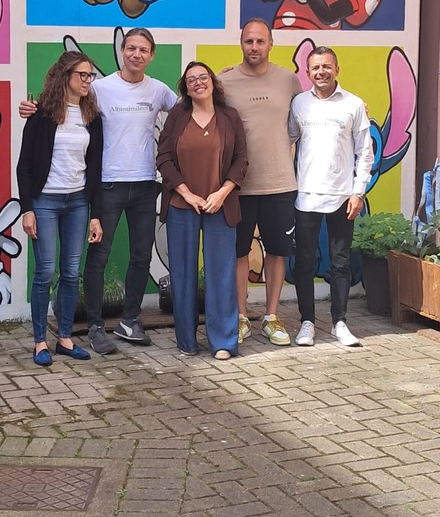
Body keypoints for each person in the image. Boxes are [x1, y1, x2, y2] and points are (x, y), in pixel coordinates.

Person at [20, 28, 177, 354]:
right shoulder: (98, 89)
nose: (136, 54)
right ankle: (93, 326)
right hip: (106, 185)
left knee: (140, 256)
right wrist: (31, 108)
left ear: (152, 55)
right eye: (131, 48)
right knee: (95, 259)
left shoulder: (159, 90)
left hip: (145, 184)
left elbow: (188, 111)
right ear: (122, 51)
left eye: (143, 49)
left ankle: (130, 320)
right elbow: (60, 104)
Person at [17, 51, 103, 366]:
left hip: (78, 202)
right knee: (44, 272)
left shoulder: (92, 117)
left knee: (70, 272)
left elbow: (96, 168)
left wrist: (95, 214)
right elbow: (24, 165)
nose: (88, 80)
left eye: (90, 75)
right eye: (82, 74)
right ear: (65, 76)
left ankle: (65, 338)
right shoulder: (41, 115)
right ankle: (40, 341)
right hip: (45, 202)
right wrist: (27, 209)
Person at [218, 19, 301, 346]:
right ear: (241, 43)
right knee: (239, 252)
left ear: (271, 44)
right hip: (237, 186)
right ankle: (241, 317)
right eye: (249, 41)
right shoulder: (224, 81)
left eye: (260, 41)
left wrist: (357, 105)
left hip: (280, 183)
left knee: (278, 252)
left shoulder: (288, 79)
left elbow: (313, 109)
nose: (254, 47)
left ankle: (271, 316)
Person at [157, 62, 247, 359]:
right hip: (182, 205)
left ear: (212, 81)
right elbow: (164, 158)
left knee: (221, 275)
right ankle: (187, 341)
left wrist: (223, 193)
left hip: (220, 205)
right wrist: (185, 192)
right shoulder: (177, 116)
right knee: (182, 275)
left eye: (203, 77)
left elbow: (241, 159)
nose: (198, 83)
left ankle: (223, 342)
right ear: (185, 87)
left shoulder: (230, 116)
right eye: (191, 80)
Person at [289, 46, 374, 347]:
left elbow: (365, 152)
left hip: (342, 197)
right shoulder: (299, 103)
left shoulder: (353, 104)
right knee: (304, 262)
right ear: (307, 72)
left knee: (340, 263)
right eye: (315, 67)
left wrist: (358, 191)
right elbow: (287, 140)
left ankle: (340, 322)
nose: (321, 72)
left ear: (337, 69)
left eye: (326, 66)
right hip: (305, 196)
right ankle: (307, 323)